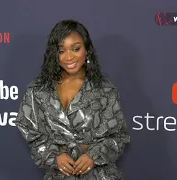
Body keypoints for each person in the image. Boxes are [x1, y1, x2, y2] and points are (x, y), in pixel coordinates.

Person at [13, 19, 130, 180]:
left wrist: (93, 156)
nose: (68, 57)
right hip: (59, 175)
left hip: (99, 175)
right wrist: (54, 156)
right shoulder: (38, 90)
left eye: (75, 49)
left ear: (87, 50)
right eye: (61, 51)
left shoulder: (105, 89)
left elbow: (119, 137)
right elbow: (29, 130)